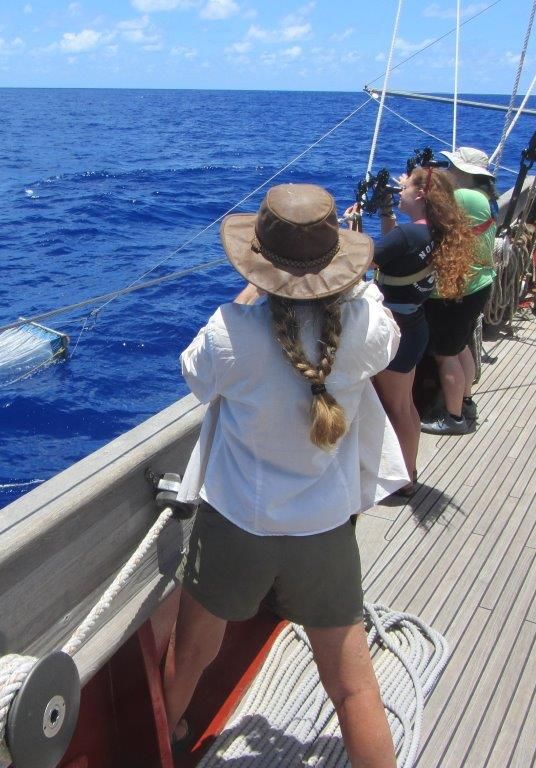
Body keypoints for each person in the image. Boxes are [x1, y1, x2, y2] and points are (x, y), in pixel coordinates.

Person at [164, 183, 408, 767]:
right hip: (324, 532)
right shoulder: (364, 331)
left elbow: (193, 374)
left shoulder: (231, 334)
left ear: (260, 264)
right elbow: (386, 331)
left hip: (235, 529)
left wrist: (249, 300)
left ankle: (168, 736)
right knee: (352, 688)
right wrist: (361, 289)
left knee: (192, 654)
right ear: (335, 267)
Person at [345, 166, 473, 494]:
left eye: (402, 189)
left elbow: (361, 262)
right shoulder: (430, 231)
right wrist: (386, 212)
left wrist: (352, 228)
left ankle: (403, 481)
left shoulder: (408, 236)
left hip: (395, 332)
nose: (398, 191)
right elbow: (396, 248)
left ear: (420, 194)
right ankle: (408, 471)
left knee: (397, 408)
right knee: (406, 406)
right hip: (414, 325)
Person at [422, 147, 498, 435]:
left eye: (452, 167)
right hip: (477, 283)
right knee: (460, 347)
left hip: (460, 289)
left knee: (445, 356)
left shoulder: (466, 197)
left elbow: (425, 206)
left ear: (466, 173)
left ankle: (452, 418)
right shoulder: (483, 197)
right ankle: (465, 402)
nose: (448, 171)